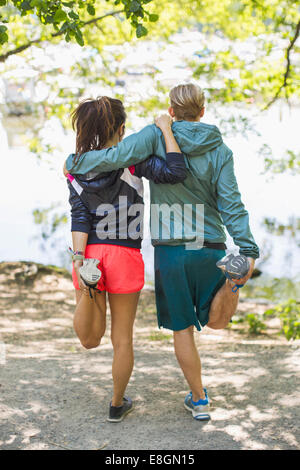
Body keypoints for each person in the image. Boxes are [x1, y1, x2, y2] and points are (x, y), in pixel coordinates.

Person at [64, 84, 260, 422]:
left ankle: (198, 400)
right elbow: (229, 202)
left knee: (171, 331)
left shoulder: (148, 139)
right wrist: (247, 246)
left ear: (171, 110)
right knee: (207, 323)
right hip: (201, 242)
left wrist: (74, 163)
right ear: (202, 111)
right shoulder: (219, 150)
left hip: (153, 248)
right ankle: (231, 286)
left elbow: (107, 167)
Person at [67, 96, 187, 423]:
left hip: (89, 252)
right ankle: (117, 403)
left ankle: (90, 288)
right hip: (125, 255)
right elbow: (176, 171)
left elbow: (79, 214)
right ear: (121, 130)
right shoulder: (134, 163)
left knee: (90, 339)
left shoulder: (75, 166)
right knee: (122, 339)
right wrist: (164, 129)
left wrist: (79, 258)